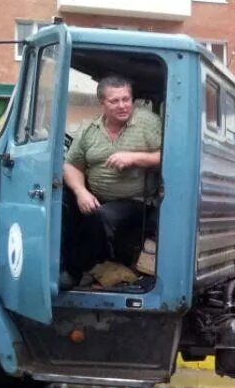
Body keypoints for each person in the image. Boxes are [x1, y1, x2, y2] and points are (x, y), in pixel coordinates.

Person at [60, 74, 163, 288]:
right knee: (58, 201)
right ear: (102, 103)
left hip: (135, 201)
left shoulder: (148, 123)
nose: (122, 106)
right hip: (95, 195)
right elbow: (71, 165)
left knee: (99, 217)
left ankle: (78, 271)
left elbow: (170, 156)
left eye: (126, 99)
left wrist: (134, 158)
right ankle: (57, 267)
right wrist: (81, 192)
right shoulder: (89, 130)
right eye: (114, 101)